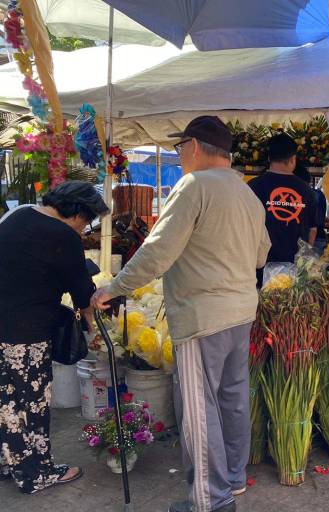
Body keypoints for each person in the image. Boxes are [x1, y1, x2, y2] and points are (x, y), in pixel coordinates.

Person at [92, 116, 271, 512]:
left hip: (202, 316)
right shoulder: (247, 194)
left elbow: (157, 252)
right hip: (241, 312)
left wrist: (114, 287)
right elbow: (261, 255)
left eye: (179, 148)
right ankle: (233, 480)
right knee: (232, 398)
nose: (179, 155)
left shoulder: (193, 186)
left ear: (193, 146)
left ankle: (211, 499)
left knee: (198, 409)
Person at [0, 181, 109, 494]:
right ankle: (36, 473)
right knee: (31, 403)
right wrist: (92, 326)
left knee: (7, 400)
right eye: (86, 220)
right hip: (26, 333)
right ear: (75, 212)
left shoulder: (18, 215)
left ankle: (10, 463)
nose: (84, 227)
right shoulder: (63, 235)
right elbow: (84, 294)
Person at [249, 134, 316, 281]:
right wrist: (304, 262)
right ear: (293, 159)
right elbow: (313, 229)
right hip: (295, 267)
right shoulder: (306, 190)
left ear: (269, 159)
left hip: (258, 266)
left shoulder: (253, 187)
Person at [294, 164, 328, 255]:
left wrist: (307, 251)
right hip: (320, 238)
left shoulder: (306, 196)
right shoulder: (319, 194)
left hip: (310, 241)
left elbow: (313, 228)